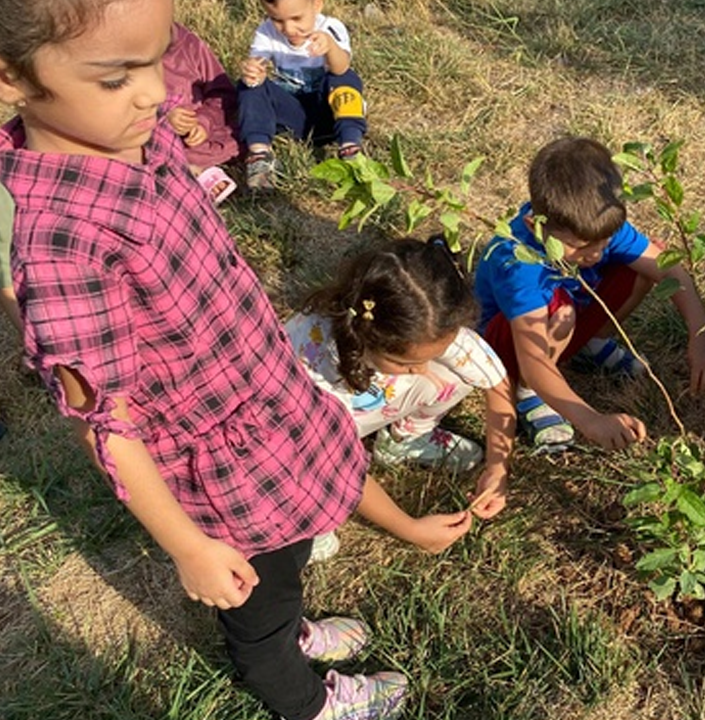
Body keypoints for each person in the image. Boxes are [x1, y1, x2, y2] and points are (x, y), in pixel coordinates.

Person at [0, 1, 405, 718]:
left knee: (289, 556)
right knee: (258, 603)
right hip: (220, 469)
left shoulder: (129, 132)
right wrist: (187, 546)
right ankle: (305, 700)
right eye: (117, 77)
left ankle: (291, 626)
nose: (155, 92)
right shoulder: (64, 247)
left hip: (260, 393)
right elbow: (105, 424)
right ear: (12, 78)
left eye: (156, 60)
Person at [474, 136, 705, 451]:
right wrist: (589, 419)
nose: (597, 254)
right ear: (535, 227)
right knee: (562, 312)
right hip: (511, 348)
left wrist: (700, 334)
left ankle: (591, 343)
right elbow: (532, 357)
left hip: (564, 320)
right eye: (582, 247)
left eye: (605, 241)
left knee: (645, 261)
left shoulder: (594, 227)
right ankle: (528, 392)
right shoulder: (519, 264)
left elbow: (669, 270)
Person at [285, 237, 515, 560]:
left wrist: (497, 468)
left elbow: (496, 381)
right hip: (303, 436)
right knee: (303, 471)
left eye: (429, 357)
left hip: (355, 412)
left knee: (457, 373)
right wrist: (411, 529)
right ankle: (310, 520)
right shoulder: (315, 367)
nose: (421, 370)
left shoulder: (431, 320)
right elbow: (335, 462)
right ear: (366, 338)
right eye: (406, 364)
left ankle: (404, 440)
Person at [237, 0, 367, 191]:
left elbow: (341, 67)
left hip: (330, 113)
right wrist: (254, 71)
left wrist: (330, 47)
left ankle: (350, 145)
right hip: (294, 116)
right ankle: (259, 154)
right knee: (250, 85)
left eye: (297, 18)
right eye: (277, 20)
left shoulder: (330, 27)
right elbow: (258, 62)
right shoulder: (266, 32)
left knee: (344, 77)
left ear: (316, 5)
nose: (289, 29)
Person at [164, 22, 240, 204]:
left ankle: (190, 170)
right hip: (151, 136)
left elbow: (221, 93)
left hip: (202, 133)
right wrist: (162, 117)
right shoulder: (117, 56)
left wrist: (203, 122)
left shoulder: (188, 45)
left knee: (237, 136)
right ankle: (194, 171)